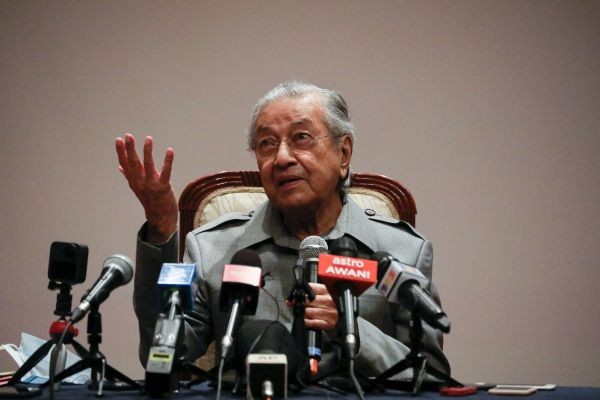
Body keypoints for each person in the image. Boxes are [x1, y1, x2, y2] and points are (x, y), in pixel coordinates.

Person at [115, 81, 450, 381]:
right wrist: (160, 229)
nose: (282, 158)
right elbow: (164, 358)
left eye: (301, 138)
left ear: (343, 153)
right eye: (266, 144)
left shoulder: (402, 252)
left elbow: (431, 374)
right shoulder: (213, 249)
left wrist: (348, 327)